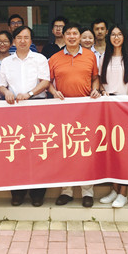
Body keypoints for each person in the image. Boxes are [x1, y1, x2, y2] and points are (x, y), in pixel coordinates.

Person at [49, 22, 101, 208]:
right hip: (62, 111)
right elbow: (47, 82)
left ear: (80, 37)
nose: (71, 37)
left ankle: (87, 191)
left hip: (85, 110)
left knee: (85, 150)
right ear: (63, 36)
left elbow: (95, 78)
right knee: (66, 151)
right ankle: (67, 191)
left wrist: (95, 89)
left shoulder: (90, 56)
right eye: (68, 34)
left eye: (75, 33)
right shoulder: (54, 58)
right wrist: (54, 92)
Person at [0, 26, 50, 207]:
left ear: (31, 41)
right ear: (14, 41)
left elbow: (45, 82)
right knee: (16, 149)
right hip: (14, 109)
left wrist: (29, 93)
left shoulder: (40, 58)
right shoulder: (7, 62)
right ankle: (18, 193)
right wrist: (6, 92)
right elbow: (2, 85)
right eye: (19, 37)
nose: (22, 41)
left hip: (37, 106)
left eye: (26, 37)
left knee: (38, 150)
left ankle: (37, 193)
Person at [98, 25, 128, 208]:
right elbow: (100, 81)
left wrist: (126, 103)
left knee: (124, 151)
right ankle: (114, 189)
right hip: (107, 106)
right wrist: (103, 92)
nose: (116, 37)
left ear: (125, 37)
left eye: (119, 34)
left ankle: (124, 193)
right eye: (113, 35)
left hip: (124, 105)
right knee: (110, 150)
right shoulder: (103, 57)